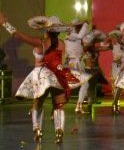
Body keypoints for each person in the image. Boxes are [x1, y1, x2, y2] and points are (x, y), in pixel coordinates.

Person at [0, 14, 90, 143]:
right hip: (57, 74)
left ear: (47, 30)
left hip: (41, 74)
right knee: (58, 105)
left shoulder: (41, 42)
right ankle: (59, 131)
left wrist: (4, 24)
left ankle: (37, 129)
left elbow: (17, 35)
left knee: (38, 103)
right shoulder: (62, 43)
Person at [65, 18, 91, 114]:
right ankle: (78, 106)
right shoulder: (73, 36)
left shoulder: (70, 37)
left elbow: (85, 38)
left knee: (83, 83)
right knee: (84, 83)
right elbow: (81, 35)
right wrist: (85, 23)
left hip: (74, 62)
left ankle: (78, 105)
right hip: (75, 62)